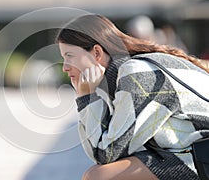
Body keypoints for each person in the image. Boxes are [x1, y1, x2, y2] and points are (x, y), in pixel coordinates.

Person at [56, 14, 209, 180]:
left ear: (97, 52)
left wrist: (87, 98)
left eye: (69, 56)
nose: (65, 67)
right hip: (191, 153)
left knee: (98, 176)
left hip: (200, 155)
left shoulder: (136, 73)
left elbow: (106, 154)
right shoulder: (123, 74)